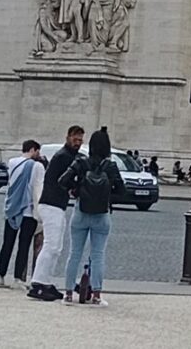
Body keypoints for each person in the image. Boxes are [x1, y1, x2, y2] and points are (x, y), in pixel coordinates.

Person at [59, 127, 124, 306]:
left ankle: (68, 294)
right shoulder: (110, 166)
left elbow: (62, 181)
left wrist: (76, 190)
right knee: (98, 255)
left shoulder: (81, 162)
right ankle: (96, 295)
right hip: (101, 214)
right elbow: (122, 191)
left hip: (81, 211)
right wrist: (107, 197)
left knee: (74, 253)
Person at [29, 124, 84, 302]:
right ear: (68, 137)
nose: (78, 143)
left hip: (54, 204)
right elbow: (63, 180)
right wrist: (75, 188)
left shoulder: (66, 156)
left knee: (55, 246)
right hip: (52, 204)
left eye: (80, 140)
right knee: (52, 245)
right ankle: (38, 283)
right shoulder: (64, 157)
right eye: (75, 139)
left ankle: (44, 281)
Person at [0, 140, 45, 289]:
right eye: (38, 151)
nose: (39, 155)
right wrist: (40, 212)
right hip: (28, 210)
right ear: (33, 150)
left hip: (12, 208)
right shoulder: (37, 166)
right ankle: (18, 279)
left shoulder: (12, 162)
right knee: (24, 245)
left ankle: (0, 275)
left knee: (7, 243)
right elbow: (37, 189)